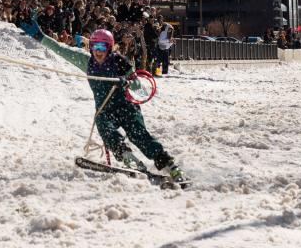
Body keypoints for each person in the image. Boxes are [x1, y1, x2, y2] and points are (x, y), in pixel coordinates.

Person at [31, 27, 187, 184]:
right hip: (105, 109)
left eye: (102, 47)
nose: (98, 51)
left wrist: (127, 81)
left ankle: (170, 166)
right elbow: (60, 49)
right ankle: (128, 158)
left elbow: (138, 86)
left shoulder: (119, 62)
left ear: (109, 48)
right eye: (94, 47)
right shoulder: (86, 61)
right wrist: (40, 36)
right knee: (105, 127)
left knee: (138, 135)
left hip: (126, 107)